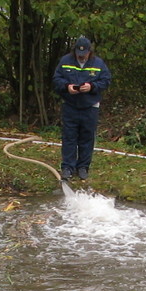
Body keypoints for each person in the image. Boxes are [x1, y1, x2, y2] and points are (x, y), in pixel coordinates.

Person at [52, 36, 112, 183]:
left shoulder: (98, 64)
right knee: (69, 137)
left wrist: (92, 87)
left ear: (89, 52)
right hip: (70, 105)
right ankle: (68, 168)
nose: (81, 56)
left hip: (90, 107)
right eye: (79, 54)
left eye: (84, 54)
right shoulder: (65, 61)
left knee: (87, 138)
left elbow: (106, 80)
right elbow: (56, 79)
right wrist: (67, 87)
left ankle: (83, 167)